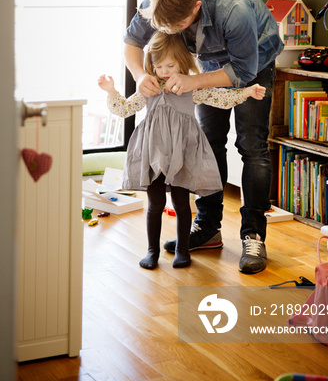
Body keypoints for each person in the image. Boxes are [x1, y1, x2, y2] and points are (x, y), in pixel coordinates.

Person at [123, 0, 284, 274]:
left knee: (251, 145)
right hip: (211, 61)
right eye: (162, 27)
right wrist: (140, 75)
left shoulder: (233, 9)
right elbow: (132, 41)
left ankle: (253, 236)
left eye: (177, 28)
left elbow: (242, 71)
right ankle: (208, 228)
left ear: (195, 8)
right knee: (207, 144)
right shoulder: (160, 3)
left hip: (253, 63)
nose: (168, 32)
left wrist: (193, 80)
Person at [98, 31, 266, 270]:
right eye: (158, 66)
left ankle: (182, 250)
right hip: (153, 153)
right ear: (151, 65)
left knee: (181, 203)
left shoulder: (190, 87)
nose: (164, 71)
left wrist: (246, 92)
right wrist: (111, 91)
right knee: (154, 204)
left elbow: (219, 97)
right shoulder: (149, 88)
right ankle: (152, 251)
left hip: (182, 153)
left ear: (182, 62)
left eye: (170, 65)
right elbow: (124, 109)